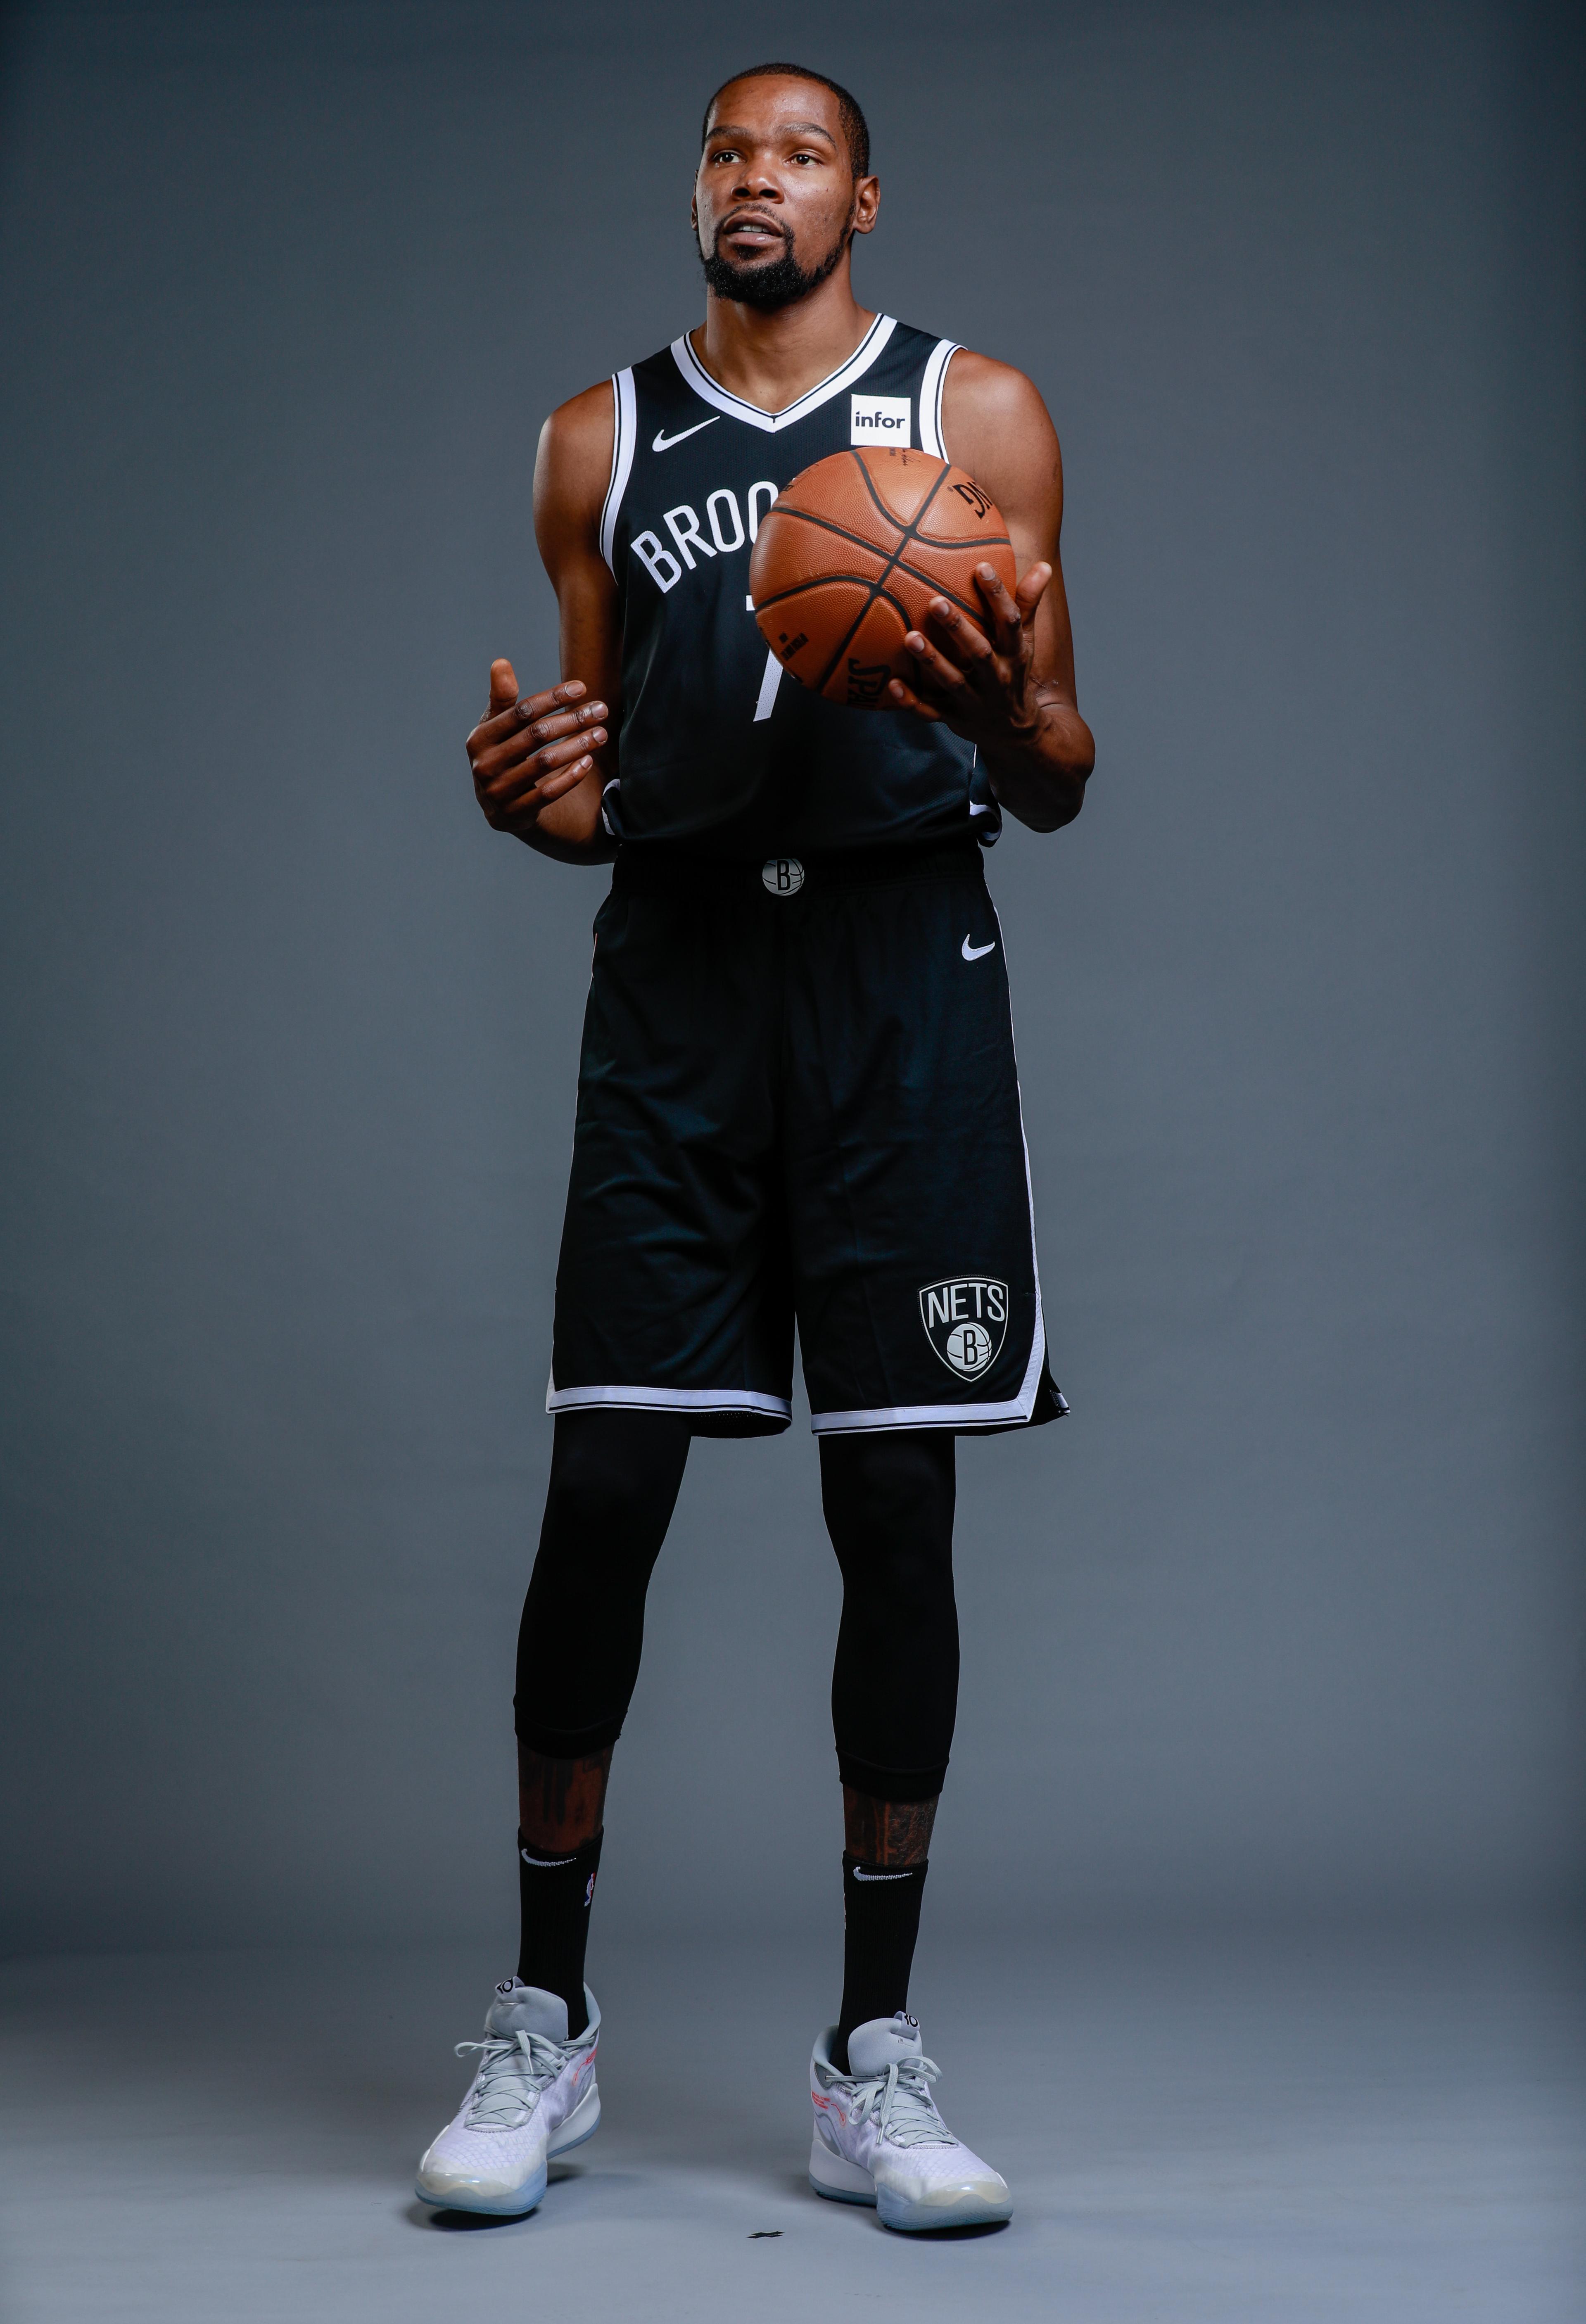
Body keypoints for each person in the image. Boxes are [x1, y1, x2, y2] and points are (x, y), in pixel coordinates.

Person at [415, 59, 1094, 2234]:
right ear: (697, 193)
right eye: (726, 150)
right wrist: (543, 807)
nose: (754, 179)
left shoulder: (972, 420)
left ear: (863, 198)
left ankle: (869, 2057)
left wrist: (1003, 710)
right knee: (605, 1484)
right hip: (686, 996)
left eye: (796, 152)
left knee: (896, 1502)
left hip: (908, 1001)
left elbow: (1068, 764)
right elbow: (594, 772)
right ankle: (545, 2028)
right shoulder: (597, 443)